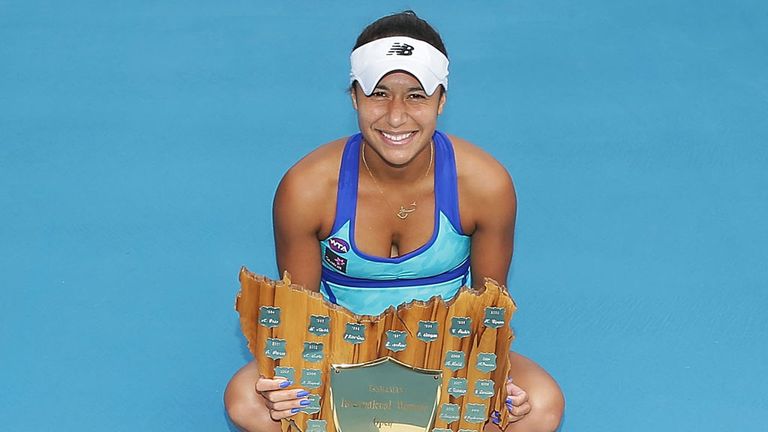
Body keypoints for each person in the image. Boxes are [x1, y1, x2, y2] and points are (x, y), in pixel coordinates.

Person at [225, 11, 564, 432]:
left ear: (442, 99)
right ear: (354, 97)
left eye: (417, 96)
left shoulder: (485, 185)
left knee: (540, 405)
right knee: (246, 399)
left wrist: (492, 391)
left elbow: (485, 319)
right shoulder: (306, 188)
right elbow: (302, 325)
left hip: (446, 362)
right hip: (340, 362)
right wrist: (286, 388)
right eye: (379, 94)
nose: (396, 116)